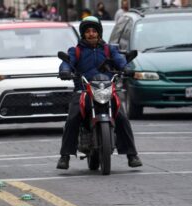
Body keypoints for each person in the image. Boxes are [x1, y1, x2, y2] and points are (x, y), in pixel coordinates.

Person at [56, 16, 142, 170]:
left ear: (99, 33)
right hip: (83, 90)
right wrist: (65, 71)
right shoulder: (75, 51)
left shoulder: (110, 49)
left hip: (107, 88)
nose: (91, 34)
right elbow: (67, 62)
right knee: (73, 118)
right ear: (83, 34)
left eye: (94, 31)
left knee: (122, 117)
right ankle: (65, 156)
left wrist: (126, 68)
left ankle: (132, 154)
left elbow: (120, 60)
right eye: (88, 31)